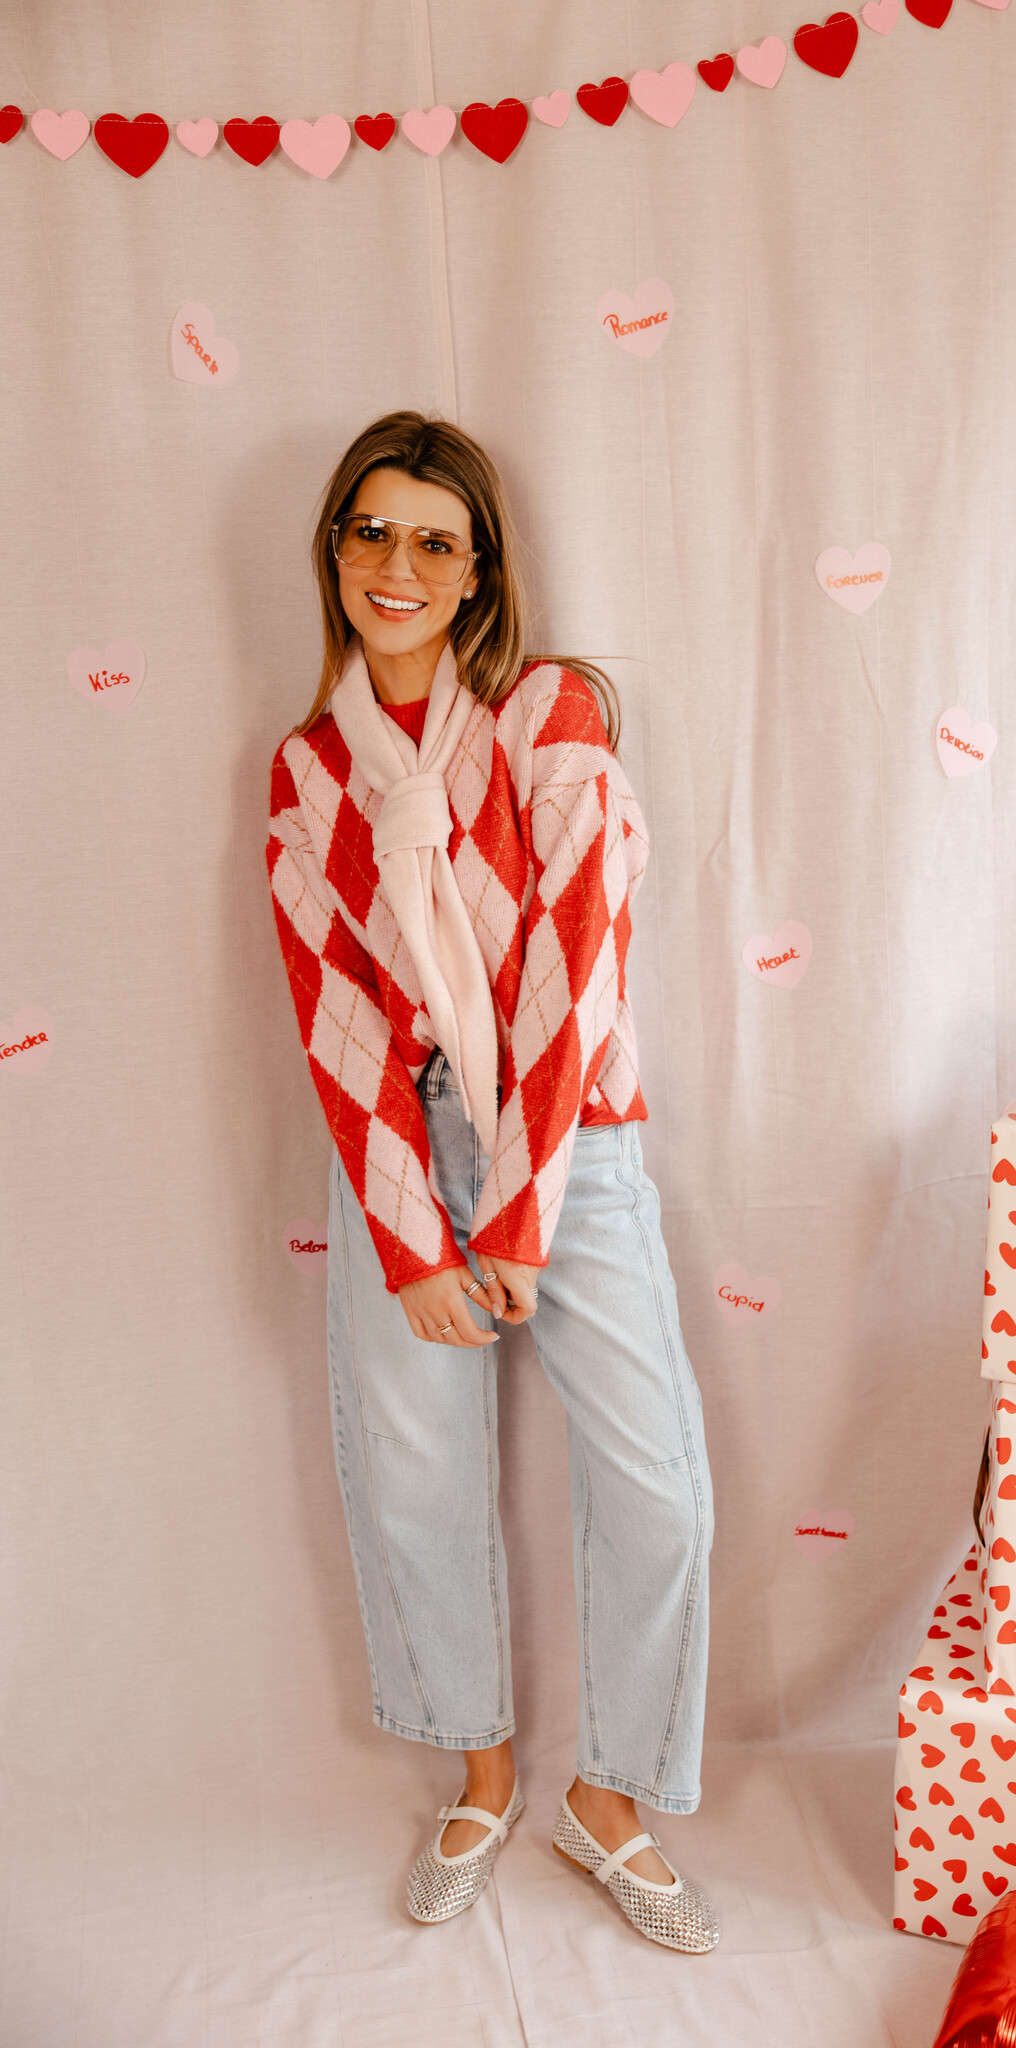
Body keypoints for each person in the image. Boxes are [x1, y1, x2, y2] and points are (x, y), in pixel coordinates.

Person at [265, 410, 717, 1953]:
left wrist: (519, 1211)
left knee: (657, 1488)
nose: (395, 565)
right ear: (334, 550)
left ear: (477, 573)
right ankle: (480, 1772)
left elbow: (576, 962)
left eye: (432, 540)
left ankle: (610, 1800)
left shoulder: (549, 713)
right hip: (397, 1141)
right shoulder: (309, 770)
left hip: (572, 1131)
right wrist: (414, 1246)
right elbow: (336, 1012)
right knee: (415, 1477)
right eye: (370, 531)